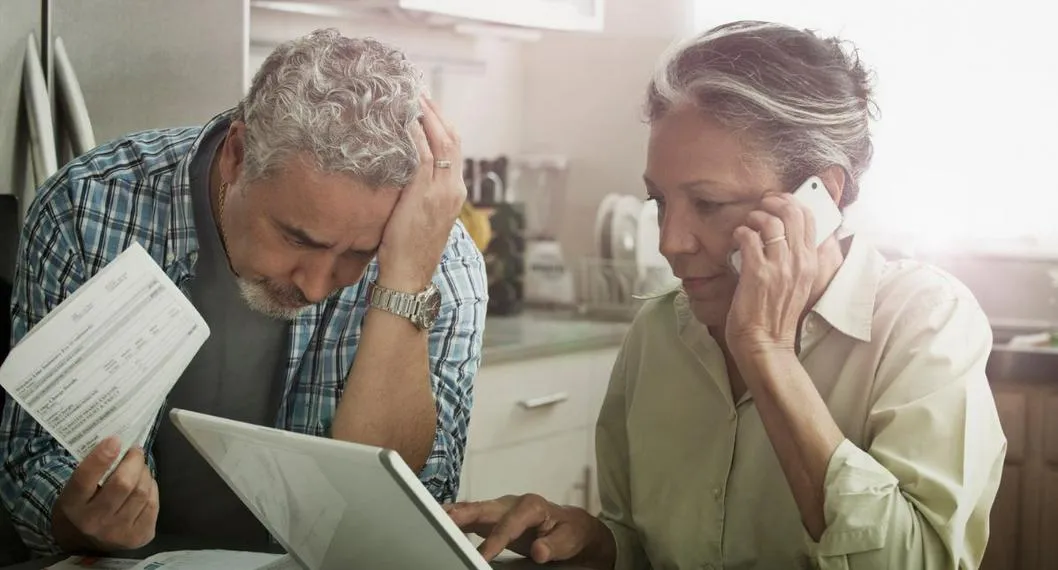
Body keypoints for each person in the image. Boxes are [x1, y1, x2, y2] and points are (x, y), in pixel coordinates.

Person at [447, 20, 1006, 570]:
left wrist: (767, 355)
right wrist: (593, 542)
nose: (669, 242)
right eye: (659, 201)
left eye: (709, 205)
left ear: (821, 195)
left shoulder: (926, 324)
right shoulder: (661, 331)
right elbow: (646, 544)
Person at [0, 29, 487, 556]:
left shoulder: (442, 260)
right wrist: (82, 522)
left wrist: (405, 281)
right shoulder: (87, 205)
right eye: (297, 238)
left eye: (358, 254)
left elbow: (402, 513)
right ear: (236, 154)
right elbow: (32, 464)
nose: (316, 285)